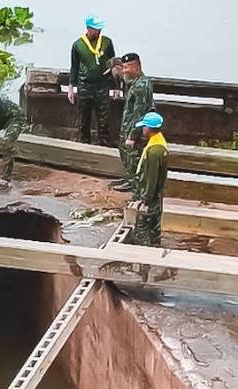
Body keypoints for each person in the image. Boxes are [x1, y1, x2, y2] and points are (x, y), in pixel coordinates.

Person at [67, 15, 117, 147]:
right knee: (84, 119)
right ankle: (84, 144)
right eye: (95, 28)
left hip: (102, 85)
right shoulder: (78, 45)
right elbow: (74, 67)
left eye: (100, 28)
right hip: (85, 86)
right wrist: (71, 88)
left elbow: (113, 65)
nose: (98, 31)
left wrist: (116, 86)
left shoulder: (107, 42)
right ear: (88, 28)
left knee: (104, 120)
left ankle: (105, 145)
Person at [112, 52, 155, 191]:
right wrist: (119, 75)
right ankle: (130, 178)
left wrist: (133, 135)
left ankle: (136, 184)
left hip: (134, 128)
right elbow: (127, 83)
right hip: (127, 126)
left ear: (135, 67)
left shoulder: (141, 87)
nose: (124, 71)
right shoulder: (135, 82)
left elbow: (139, 113)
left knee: (133, 157)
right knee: (125, 154)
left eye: (126, 68)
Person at [125, 112, 169, 246]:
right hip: (156, 196)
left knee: (142, 231)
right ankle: (155, 247)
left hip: (150, 197)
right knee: (154, 229)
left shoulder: (154, 152)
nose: (142, 130)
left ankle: (144, 259)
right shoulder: (159, 142)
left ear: (148, 129)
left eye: (144, 127)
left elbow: (151, 178)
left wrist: (145, 200)